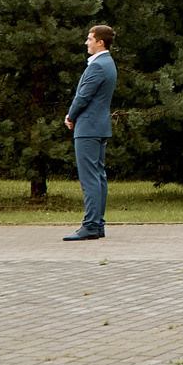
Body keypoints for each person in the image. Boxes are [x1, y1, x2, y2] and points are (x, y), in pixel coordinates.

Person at [63, 23, 117, 241]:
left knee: (90, 178)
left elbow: (83, 96)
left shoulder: (97, 66)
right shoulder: (108, 63)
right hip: (100, 125)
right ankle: (98, 224)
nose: (86, 42)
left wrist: (71, 116)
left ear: (100, 42)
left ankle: (91, 225)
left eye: (90, 39)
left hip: (88, 128)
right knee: (99, 176)